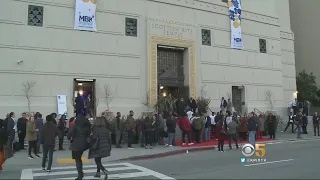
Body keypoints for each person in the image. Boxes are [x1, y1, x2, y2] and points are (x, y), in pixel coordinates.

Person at [67, 114, 91, 180]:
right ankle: (81, 173)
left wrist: (69, 137)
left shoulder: (76, 125)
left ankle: (80, 175)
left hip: (76, 144)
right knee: (79, 158)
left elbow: (69, 133)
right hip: (84, 144)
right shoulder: (87, 126)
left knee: (77, 160)